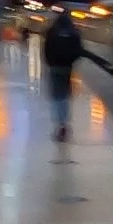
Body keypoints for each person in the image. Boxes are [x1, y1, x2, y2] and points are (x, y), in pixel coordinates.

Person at [42, 13, 84, 142]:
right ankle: (64, 123)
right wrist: (70, 62)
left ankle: (59, 124)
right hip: (67, 69)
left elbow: (46, 50)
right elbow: (79, 52)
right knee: (65, 95)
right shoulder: (74, 33)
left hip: (55, 68)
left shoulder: (52, 32)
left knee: (56, 96)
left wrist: (50, 62)